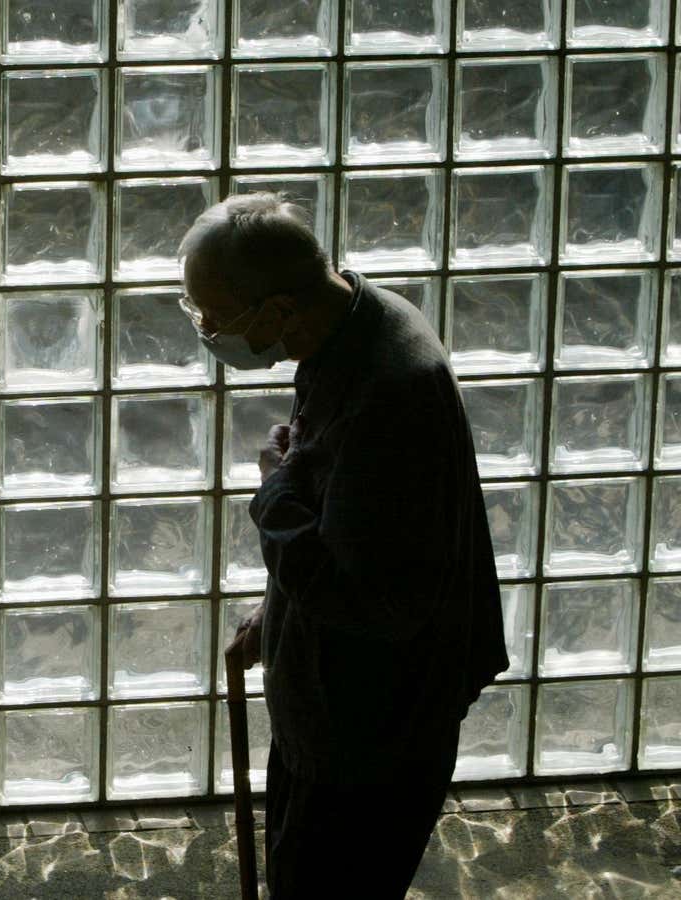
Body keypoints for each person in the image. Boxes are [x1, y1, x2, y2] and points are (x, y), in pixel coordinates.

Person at [178, 193, 508, 898]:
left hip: (370, 734)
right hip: (324, 704)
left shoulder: (391, 393)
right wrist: (272, 624)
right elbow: (352, 523)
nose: (206, 330)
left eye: (213, 316)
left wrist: (273, 496)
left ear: (276, 313)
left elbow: (375, 601)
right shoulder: (348, 325)